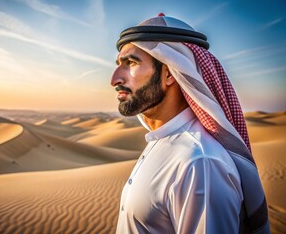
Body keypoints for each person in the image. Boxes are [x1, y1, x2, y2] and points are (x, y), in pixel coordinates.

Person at [111, 13, 270, 234]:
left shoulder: (201, 164)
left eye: (130, 63)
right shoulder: (162, 139)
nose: (114, 79)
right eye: (119, 64)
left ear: (169, 73)